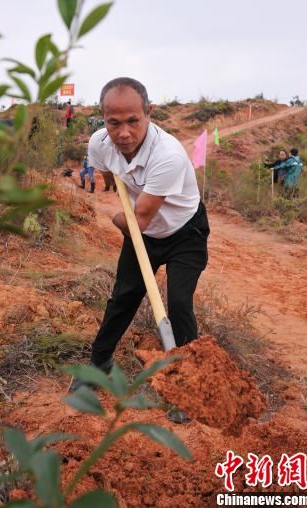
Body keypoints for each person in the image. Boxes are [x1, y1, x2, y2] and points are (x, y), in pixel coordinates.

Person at [71, 77, 209, 390]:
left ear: (149, 112)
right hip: (144, 231)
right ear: (102, 118)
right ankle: (99, 362)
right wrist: (119, 194)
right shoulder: (99, 143)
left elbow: (139, 221)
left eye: (133, 121)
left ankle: (187, 381)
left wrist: (121, 218)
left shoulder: (168, 156)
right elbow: (108, 175)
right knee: (123, 296)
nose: (123, 133)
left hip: (184, 231)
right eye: (113, 122)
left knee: (179, 302)